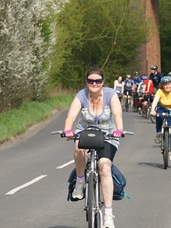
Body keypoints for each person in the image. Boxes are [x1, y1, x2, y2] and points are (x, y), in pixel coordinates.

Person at [64, 67, 123, 228]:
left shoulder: (110, 94)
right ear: (87, 82)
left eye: (98, 81)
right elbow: (71, 116)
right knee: (78, 147)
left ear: (103, 82)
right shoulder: (81, 95)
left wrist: (119, 130)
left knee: (104, 168)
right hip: (85, 132)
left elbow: (117, 115)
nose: (94, 84)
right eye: (91, 81)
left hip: (108, 135)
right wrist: (68, 129)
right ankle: (80, 182)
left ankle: (108, 215)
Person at [150, 76, 171, 161]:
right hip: (162, 108)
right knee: (158, 116)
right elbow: (155, 101)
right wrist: (152, 110)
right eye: (165, 85)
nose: (167, 86)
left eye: (168, 84)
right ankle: (158, 132)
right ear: (162, 86)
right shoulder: (160, 91)